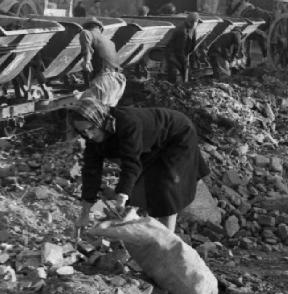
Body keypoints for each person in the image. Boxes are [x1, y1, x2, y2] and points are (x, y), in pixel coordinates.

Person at [72, 97, 209, 232]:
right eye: (83, 132)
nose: (88, 135)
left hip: (177, 136)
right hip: (149, 145)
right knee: (143, 184)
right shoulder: (92, 140)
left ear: (99, 120)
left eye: (91, 129)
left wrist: (121, 198)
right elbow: (91, 172)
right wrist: (84, 214)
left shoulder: (127, 123)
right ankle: (148, 222)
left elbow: (131, 162)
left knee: (166, 189)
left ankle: (166, 240)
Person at [79, 18, 126, 107]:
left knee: (86, 109)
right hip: (119, 80)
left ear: (86, 27)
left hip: (105, 79)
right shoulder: (110, 42)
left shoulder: (86, 32)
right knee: (105, 112)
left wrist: (86, 61)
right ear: (100, 29)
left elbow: (85, 37)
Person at [166, 12, 200, 83]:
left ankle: (184, 85)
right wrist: (184, 62)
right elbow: (179, 50)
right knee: (174, 75)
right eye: (196, 22)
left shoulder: (192, 29)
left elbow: (192, 45)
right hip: (173, 55)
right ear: (192, 22)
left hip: (182, 54)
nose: (197, 24)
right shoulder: (182, 31)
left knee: (186, 73)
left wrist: (193, 59)